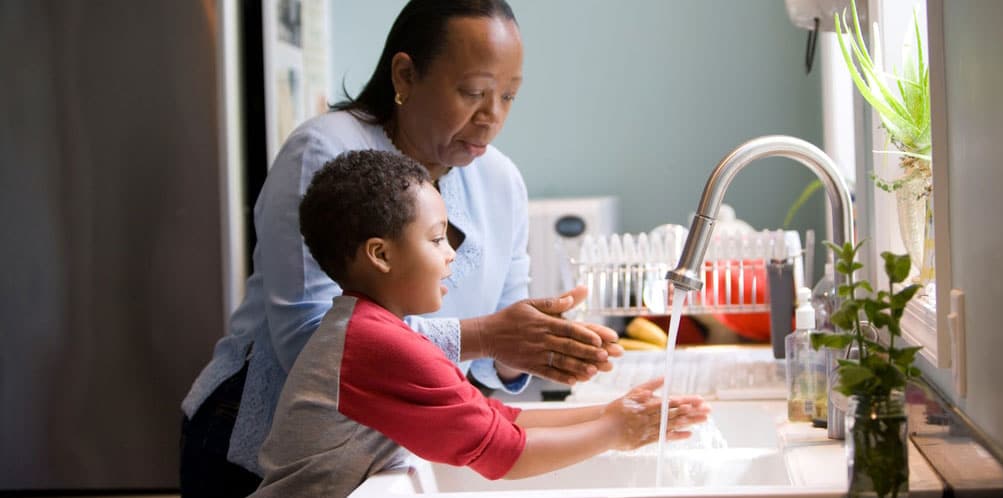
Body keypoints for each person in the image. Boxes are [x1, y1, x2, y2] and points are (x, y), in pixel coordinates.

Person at [179, 1, 622, 495]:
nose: (491, 116)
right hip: (259, 441)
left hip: (378, 450)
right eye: (473, 92)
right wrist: (489, 336)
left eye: (509, 97)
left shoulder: (502, 181)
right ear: (406, 75)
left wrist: (541, 346)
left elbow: (492, 361)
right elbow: (312, 343)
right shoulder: (325, 151)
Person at [251, 150, 710, 496]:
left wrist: (610, 413)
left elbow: (498, 417)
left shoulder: (372, 329)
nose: (451, 254)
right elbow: (504, 454)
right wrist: (617, 432)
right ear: (381, 254)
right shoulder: (375, 344)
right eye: (435, 239)